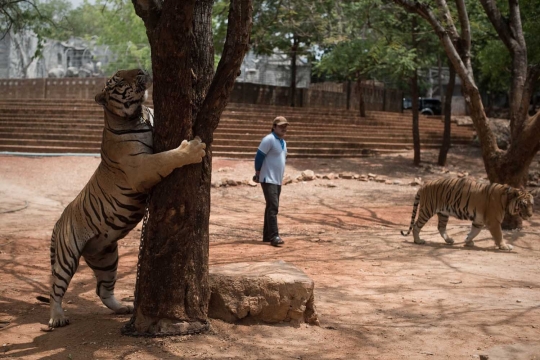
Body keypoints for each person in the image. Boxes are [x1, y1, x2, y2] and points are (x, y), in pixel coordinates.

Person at [253, 116, 289, 247]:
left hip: (277, 179)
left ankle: (267, 235)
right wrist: (257, 172)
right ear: (274, 126)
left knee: (270, 206)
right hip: (268, 178)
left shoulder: (283, 142)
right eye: (281, 126)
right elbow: (259, 157)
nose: (283, 128)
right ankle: (274, 236)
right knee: (273, 206)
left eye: (285, 126)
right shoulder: (268, 140)